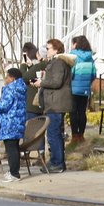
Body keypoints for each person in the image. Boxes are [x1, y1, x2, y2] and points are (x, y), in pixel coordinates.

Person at [32, 38, 74, 173]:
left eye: (48, 48)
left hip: (56, 104)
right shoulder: (57, 62)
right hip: (55, 103)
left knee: (53, 134)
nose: (46, 50)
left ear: (56, 50)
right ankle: (58, 162)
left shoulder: (58, 63)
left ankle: (57, 163)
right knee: (56, 134)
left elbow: (56, 82)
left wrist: (41, 83)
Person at [0, 68, 28, 182]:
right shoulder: (21, 88)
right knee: (15, 147)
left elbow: (3, 106)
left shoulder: (10, 88)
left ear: (12, 78)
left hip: (9, 122)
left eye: (7, 77)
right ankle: (14, 171)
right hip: (18, 122)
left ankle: (14, 173)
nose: (5, 79)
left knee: (11, 149)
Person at [69, 35, 97, 144]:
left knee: (73, 112)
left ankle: (74, 136)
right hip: (85, 89)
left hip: (74, 88)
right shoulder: (90, 58)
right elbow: (93, 74)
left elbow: (71, 73)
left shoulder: (73, 56)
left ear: (76, 44)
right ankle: (81, 135)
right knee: (82, 112)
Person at [20, 42, 47, 122]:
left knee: (31, 130)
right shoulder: (45, 65)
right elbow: (36, 78)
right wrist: (31, 66)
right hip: (41, 104)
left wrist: (23, 65)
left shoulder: (39, 65)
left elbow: (24, 78)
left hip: (33, 104)